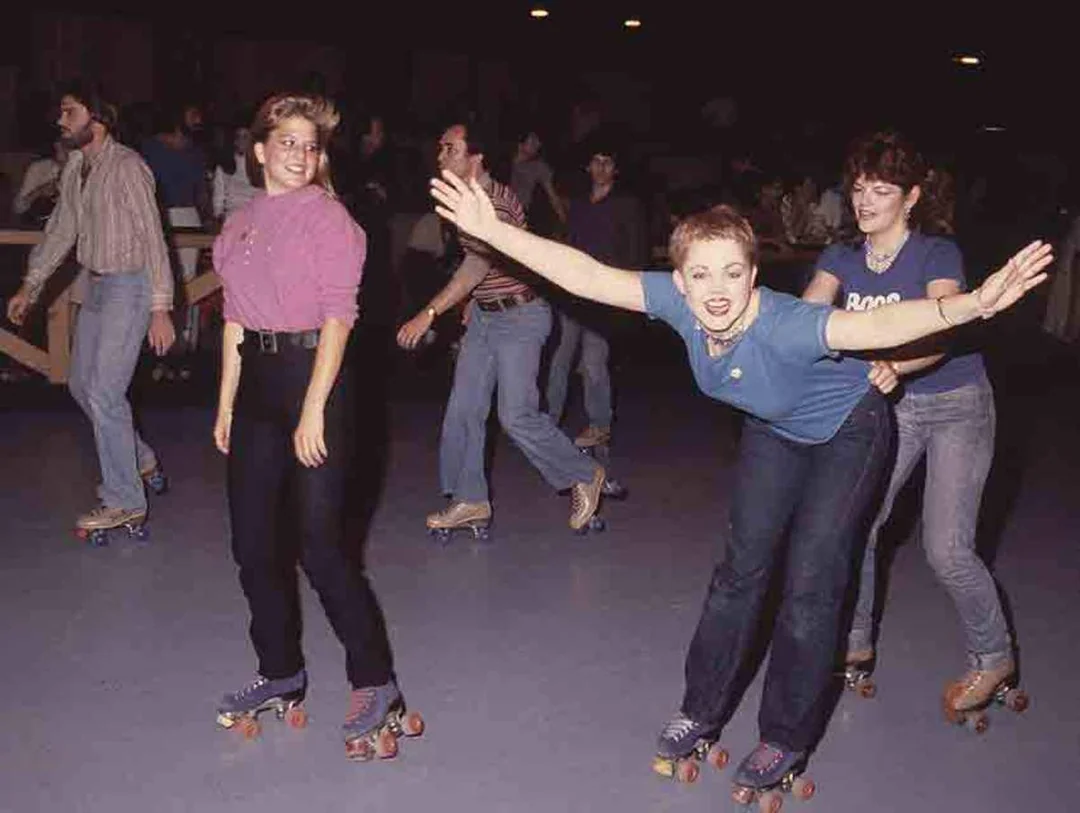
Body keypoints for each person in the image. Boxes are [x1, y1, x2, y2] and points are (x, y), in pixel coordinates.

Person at [428, 169, 1050, 798]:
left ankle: (785, 735)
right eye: (700, 274)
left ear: (753, 275)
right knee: (738, 575)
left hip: (849, 431)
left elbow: (872, 329)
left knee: (811, 583)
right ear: (680, 280)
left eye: (732, 272)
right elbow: (586, 275)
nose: (717, 290)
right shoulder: (678, 303)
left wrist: (974, 304)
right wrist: (495, 234)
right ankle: (700, 710)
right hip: (774, 430)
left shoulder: (784, 322)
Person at [211, 92, 420, 760]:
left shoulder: (332, 219)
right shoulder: (238, 223)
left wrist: (312, 409)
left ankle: (375, 680)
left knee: (320, 546)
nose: (301, 154)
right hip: (257, 388)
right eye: (288, 142)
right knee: (251, 544)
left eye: (310, 145)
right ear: (260, 150)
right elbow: (234, 320)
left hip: (317, 383)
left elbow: (338, 318)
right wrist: (225, 403)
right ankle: (279, 670)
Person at [803, 131, 1025, 719]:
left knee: (947, 548)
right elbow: (808, 314)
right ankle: (854, 645)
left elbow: (943, 328)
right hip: (891, 407)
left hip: (957, 405)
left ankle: (994, 656)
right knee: (859, 525)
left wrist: (895, 365)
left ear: (912, 197)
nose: (865, 201)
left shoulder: (935, 254)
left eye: (882, 190)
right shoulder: (841, 257)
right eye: (858, 189)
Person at [396, 122, 607, 540]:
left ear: (476, 157)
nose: (441, 156)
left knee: (516, 414)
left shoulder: (491, 202)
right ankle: (470, 499)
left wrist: (430, 312)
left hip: (520, 318)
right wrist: (474, 302)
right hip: (487, 317)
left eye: (450, 149)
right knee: (464, 409)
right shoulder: (467, 199)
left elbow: (478, 264)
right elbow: (485, 267)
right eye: (440, 148)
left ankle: (584, 473)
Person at [6, 79, 175, 544]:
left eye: (70, 112)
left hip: (131, 286)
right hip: (96, 286)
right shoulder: (78, 166)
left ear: (97, 119)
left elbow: (153, 238)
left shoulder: (128, 168)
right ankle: (140, 458)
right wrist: (30, 285)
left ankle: (124, 499)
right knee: (83, 385)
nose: (60, 120)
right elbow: (62, 230)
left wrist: (161, 307)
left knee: (104, 392)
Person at [546, 144, 647, 456]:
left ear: (616, 169)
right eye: (596, 161)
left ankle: (599, 426)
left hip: (604, 294)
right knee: (560, 360)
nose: (601, 168)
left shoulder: (627, 205)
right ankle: (547, 424)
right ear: (587, 167)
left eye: (608, 162)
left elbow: (636, 252)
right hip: (572, 292)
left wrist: (626, 295)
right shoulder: (579, 205)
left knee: (592, 362)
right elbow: (568, 245)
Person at [13, 138, 69, 225]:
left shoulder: (84, 169)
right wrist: (39, 191)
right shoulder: (38, 169)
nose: (64, 149)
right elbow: (19, 207)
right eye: (61, 144)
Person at [211, 122, 259, 222]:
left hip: (256, 214)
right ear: (234, 141)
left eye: (245, 137)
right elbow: (218, 195)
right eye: (238, 137)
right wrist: (219, 214)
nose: (241, 141)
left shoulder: (260, 165)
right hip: (232, 214)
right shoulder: (225, 165)